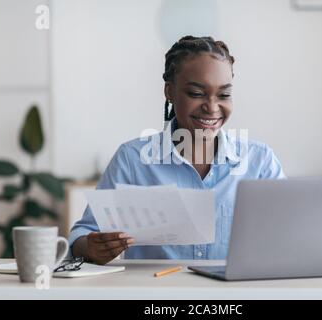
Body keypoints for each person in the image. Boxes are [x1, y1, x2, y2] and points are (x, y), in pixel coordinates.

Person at [70, 35, 285, 264]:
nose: (212, 107)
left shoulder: (260, 162)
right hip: (155, 295)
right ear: (170, 92)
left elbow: (290, 232)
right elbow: (83, 235)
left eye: (224, 95)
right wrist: (90, 247)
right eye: (196, 93)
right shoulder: (132, 160)